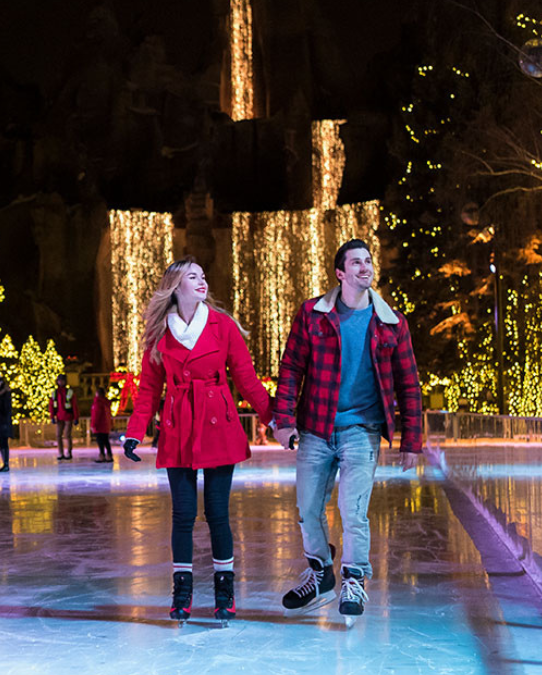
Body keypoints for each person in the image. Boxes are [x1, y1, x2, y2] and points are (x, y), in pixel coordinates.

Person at [272, 239, 423, 622]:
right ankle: (321, 572)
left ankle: (354, 578)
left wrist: (412, 440)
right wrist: (284, 420)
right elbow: (291, 368)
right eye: (356, 262)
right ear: (340, 273)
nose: (365, 267)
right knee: (307, 509)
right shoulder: (312, 314)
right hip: (316, 429)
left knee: (352, 510)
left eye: (368, 261)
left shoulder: (390, 322)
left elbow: (409, 382)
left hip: (362, 430)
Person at [122, 256, 272, 625]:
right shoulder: (160, 333)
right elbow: (149, 390)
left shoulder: (223, 327)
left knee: (218, 514)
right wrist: (134, 432)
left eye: (204, 276)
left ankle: (225, 591)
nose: (203, 282)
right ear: (176, 286)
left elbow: (248, 381)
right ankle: (182, 591)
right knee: (183, 515)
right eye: (194, 277)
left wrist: (278, 420)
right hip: (178, 427)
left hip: (217, 424)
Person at [50, 374, 79, 460]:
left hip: (68, 416)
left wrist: (76, 417)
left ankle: (68, 452)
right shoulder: (55, 393)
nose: (61, 382)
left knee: (67, 435)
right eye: (59, 381)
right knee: (58, 435)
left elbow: (74, 405)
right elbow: (51, 405)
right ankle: (60, 452)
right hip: (59, 417)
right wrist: (52, 416)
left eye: (62, 380)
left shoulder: (69, 392)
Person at [90, 387, 113, 463]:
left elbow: (96, 415)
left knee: (100, 442)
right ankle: (109, 455)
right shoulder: (106, 403)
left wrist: (93, 425)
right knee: (106, 441)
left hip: (99, 426)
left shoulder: (97, 403)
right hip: (105, 426)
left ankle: (102, 455)